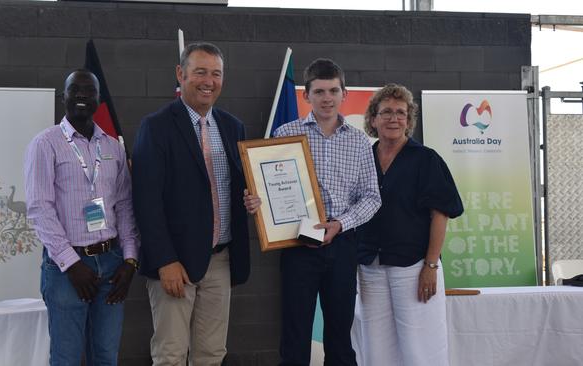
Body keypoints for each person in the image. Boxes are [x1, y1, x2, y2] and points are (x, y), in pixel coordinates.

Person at [244, 58, 381, 366]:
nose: (327, 98)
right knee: (294, 335)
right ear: (306, 96)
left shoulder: (359, 141)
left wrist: (340, 224)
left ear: (344, 93)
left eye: (333, 90)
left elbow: (372, 198)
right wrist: (256, 202)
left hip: (343, 243)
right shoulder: (285, 133)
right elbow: (267, 188)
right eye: (319, 91)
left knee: (340, 337)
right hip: (297, 244)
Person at [132, 42, 250, 366]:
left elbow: (237, 187)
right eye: (200, 72)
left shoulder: (232, 126)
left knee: (212, 355)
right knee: (170, 354)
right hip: (176, 265)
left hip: (221, 259)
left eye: (216, 73)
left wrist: (253, 200)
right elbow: (145, 201)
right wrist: (165, 260)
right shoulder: (155, 127)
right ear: (181, 74)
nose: (208, 81)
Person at [24, 69, 140, 366]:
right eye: (74, 90)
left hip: (111, 264)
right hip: (66, 268)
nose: (81, 96)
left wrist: (129, 260)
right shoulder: (45, 143)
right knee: (66, 358)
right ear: (63, 96)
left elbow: (125, 206)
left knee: (105, 356)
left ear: (98, 100)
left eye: (89, 91)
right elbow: (39, 208)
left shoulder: (112, 147)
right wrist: (72, 264)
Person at [351, 83, 464, 366]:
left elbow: (441, 214)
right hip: (370, 267)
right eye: (386, 112)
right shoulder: (362, 159)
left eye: (400, 113)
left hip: (414, 268)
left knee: (420, 350)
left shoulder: (426, 159)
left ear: (409, 120)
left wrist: (431, 265)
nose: (393, 118)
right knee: (376, 352)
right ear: (373, 119)